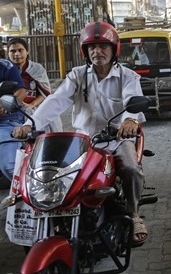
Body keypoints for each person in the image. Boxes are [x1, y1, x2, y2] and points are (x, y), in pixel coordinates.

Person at [11, 21, 149, 247]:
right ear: (85, 51)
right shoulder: (77, 75)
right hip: (84, 141)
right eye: (92, 47)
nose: (97, 51)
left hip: (116, 139)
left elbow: (132, 101)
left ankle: (134, 214)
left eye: (103, 46)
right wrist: (31, 124)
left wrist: (130, 121)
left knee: (132, 169)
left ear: (114, 49)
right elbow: (56, 101)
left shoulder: (127, 76)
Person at [7, 37, 63, 131]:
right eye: (13, 51)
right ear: (8, 53)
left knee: (51, 119)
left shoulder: (37, 69)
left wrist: (31, 105)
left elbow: (45, 93)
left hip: (36, 106)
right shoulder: (5, 70)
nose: (17, 54)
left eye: (20, 50)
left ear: (27, 51)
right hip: (11, 111)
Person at [0, 58, 26, 182]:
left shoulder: (5, 66)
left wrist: (4, 106)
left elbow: (21, 91)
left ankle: (40, 195)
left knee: (10, 167)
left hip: (6, 118)